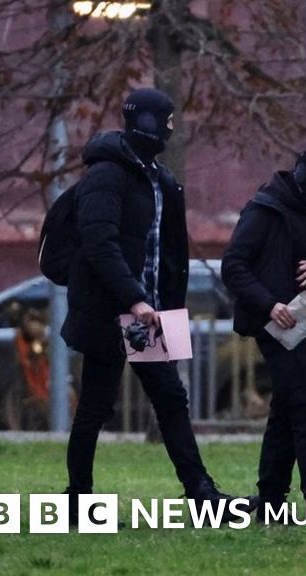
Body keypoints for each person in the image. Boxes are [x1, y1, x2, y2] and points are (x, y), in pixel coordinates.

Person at [60, 88, 234, 518]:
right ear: (151, 122)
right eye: (168, 120)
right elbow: (100, 245)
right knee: (97, 406)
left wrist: (159, 306)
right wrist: (135, 299)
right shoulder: (106, 175)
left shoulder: (159, 178)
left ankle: (201, 494)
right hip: (114, 311)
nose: (173, 129)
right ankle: (78, 496)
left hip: (150, 315)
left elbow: (167, 251)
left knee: (171, 399)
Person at [221, 147, 306, 519]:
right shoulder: (263, 211)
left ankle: (271, 498)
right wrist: (270, 305)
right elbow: (234, 266)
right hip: (275, 325)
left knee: (286, 410)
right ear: (305, 176)